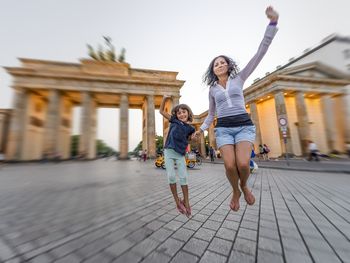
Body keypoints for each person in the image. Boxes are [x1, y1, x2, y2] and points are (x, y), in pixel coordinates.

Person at [194, 6, 279, 211]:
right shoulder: (212, 90)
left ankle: (244, 185)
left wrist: (273, 23)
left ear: (228, 66)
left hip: (243, 126)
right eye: (216, 64)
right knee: (229, 165)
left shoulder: (239, 79)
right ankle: (235, 191)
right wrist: (202, 129)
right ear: (213, 71)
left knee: (243, 165)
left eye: (223, 62)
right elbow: (212, 113)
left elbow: (260, 53)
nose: (220, 65)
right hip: (223, 128)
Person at [160, 95, 196, 217]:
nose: (181, 114)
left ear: (188, 113)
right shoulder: (174, 120)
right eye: (179, 113)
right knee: (171, 176)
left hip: (180, 154)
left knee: (183, 178)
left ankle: (186, 202)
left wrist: (196, 135)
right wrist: (165, 99)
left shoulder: (190, 128)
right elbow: (161, 111)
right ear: (176, 115)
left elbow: (191, 140)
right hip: (169, 151)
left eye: (183, 112)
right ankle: (177, 201)